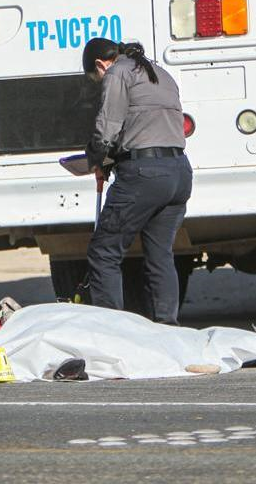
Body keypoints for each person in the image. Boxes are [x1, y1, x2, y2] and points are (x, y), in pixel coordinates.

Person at [82, 38, 192, 325]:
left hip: (145, 174)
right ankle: (168, 328)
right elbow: (145, 125)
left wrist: (95, 158)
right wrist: (113, 160)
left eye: (96, 79)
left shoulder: (117, 72)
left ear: (100, 64)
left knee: (104, 252)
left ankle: (112, 333)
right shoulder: (159, 73)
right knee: (160, 256)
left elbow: (107, 129)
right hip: (179, 172)